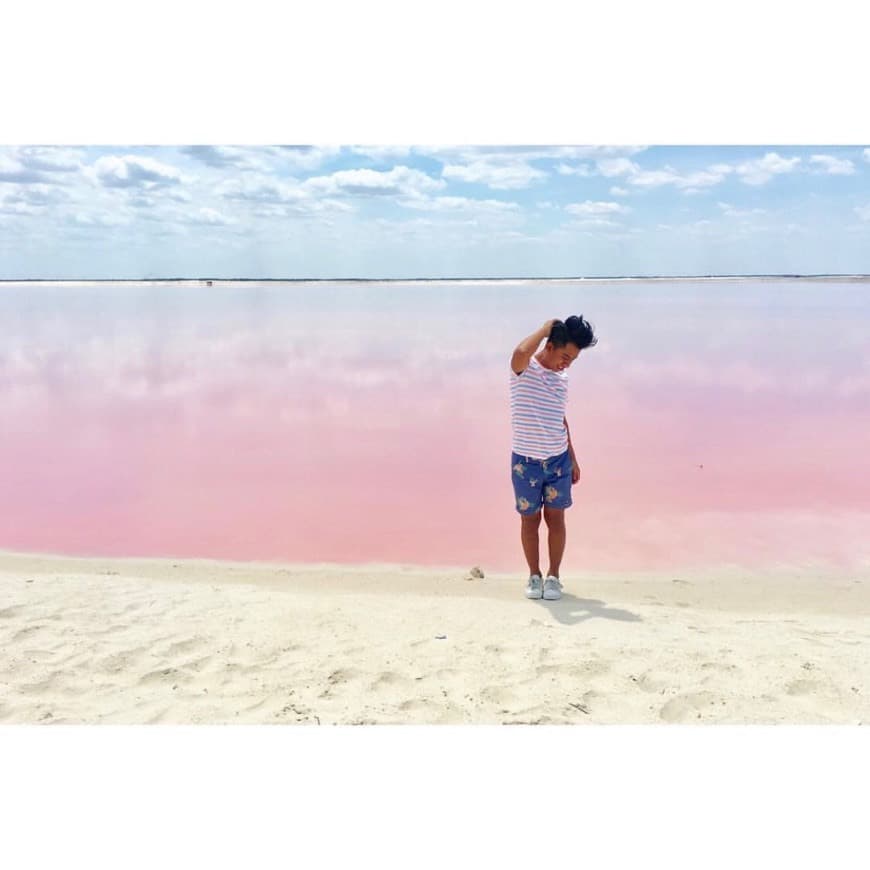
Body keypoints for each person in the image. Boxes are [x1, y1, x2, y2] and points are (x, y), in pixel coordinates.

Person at [509, 315, 597, 600]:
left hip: (558, 461)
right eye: (564, 356)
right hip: (526, 462)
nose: (566, 364)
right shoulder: (524, 369)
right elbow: (520, 352)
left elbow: (561, 419)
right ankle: (534, 576)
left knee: (556, 518)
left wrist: (573, 457)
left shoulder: (562, 380)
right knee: (530, 520)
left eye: (572, 360)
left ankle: (554, 576)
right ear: (550, 345)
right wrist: (545, 328)